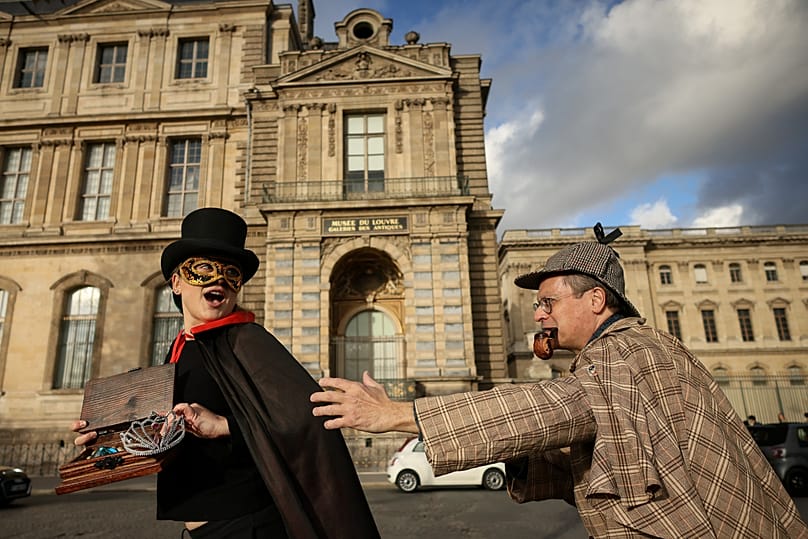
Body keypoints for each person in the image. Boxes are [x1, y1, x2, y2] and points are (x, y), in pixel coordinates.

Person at [310, 224, 808, 537]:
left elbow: (555, 408)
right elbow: (596, 457)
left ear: (596, 301)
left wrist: (399, 414)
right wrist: (511, 446)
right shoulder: (644, 348)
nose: (538, 314)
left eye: (548, 302)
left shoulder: (620, 352)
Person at [73, 207, 379, 539]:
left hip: (246, 525)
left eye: (231, 273)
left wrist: (224, 426)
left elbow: (307, 418)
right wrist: (105, 441)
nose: (219, 279)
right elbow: (161, 433)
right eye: (204, 268)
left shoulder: (246, 340)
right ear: (176, 282)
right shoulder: (180, 349)